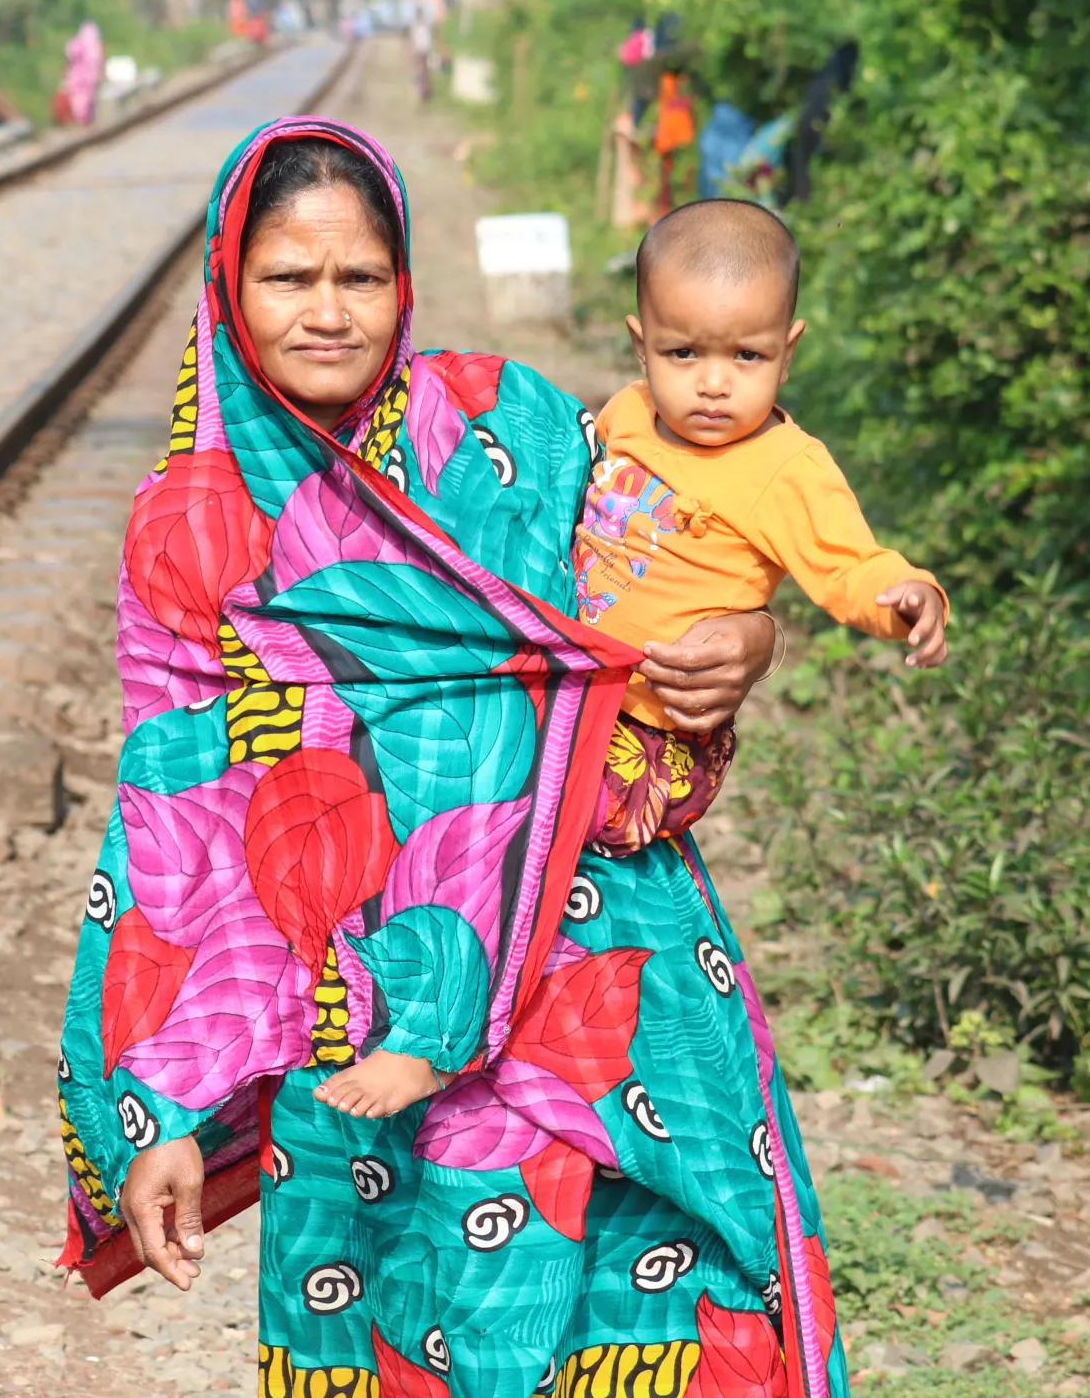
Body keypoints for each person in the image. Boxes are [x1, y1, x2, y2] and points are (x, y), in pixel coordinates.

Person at [57, 119, 851, 1398]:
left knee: (654, 1315)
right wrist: (160, 1108)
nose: (328, 312)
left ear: (405, 281)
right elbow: (180, 825)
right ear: (226, 284)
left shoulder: (513, 432)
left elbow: (670, 579)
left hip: (585, 981)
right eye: (288, 278)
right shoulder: (189, 530)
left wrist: (746, 638)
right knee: (404, 1331)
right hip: (355, 1032)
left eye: (360, 277)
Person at [577, 199, 949, 854]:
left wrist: (910, 595)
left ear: (788, 353)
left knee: (561, 816)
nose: (714, 383)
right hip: (579, 687)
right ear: (642, 347)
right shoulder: (626, 414)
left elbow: (852, 564)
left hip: (660, 726)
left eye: (747, 355)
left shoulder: (785, 467)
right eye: (683, 352)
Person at [54, 21, 104, 127]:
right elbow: (98, 61)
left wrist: (66, 76)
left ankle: (81, 120)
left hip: (76, 76)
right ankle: (85, 120)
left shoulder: (76, 44)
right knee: (87, 99)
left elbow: (69, 59)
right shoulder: (95, 46)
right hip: (89, 77)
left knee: (78, 99)